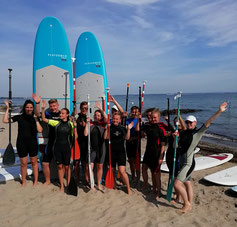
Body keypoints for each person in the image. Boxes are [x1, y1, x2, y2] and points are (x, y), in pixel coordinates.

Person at [173, 102, 227, 213]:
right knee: (187, 183)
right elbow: (177, 144)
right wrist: (175, 137)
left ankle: (187, 203)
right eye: (187, 122)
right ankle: (190, 203)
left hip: (188, 164)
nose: (189, 124)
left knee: (177, 184)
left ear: (195, 123)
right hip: (182, 162)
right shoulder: (184, 133)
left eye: (191, 122)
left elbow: (209, 121)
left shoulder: (197, 133)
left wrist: (219, 111)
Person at [2, 99, 43, 186]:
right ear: (24, 108)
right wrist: (7, 108)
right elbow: (5, 121)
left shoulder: (35, 118)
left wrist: (37, 104)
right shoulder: (19, 117)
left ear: (33, 108)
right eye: (27, 107)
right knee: (23, 163)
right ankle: (23, 181)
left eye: (31, 107)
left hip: (33, 143)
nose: (29, 109)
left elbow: (40, 130)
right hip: (21, 143)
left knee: (34, 162)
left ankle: (35, 181)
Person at [41, 100, 77, 192]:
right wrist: (43, 108)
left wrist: (75, 127)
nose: (60, 114)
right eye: (60, 113)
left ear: (67, 115)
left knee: (67, 167)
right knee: (60, 167)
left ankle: (68, 184)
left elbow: (75, 137)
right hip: (57, 148)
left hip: (67, 148)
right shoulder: (56, 123)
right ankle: (61, 185)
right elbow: (44, 119)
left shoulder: (71, 124)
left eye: (62, 113)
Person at [33, 94, 60, 185]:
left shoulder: (63, 114)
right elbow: (37, 115)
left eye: (54, 105)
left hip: (61, 143)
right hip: (51, 142)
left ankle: (64, 180)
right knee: (44, 163)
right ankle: (48, 181)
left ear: (58, 105)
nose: (52, 107)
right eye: (51, 106)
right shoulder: (48, 114)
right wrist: (38, 104)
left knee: (62, 165)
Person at [139, 109, 166, 198]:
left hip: (156, 153)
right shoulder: (149, 126)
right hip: (148, 152)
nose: (153, 119)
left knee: (156, 174)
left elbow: (163, 145)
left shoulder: (161, 129)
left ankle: (158, 191)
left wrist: (161, 157)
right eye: (151, 117)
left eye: (155, 117)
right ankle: (149, 186)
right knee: (144, 168)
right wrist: (140, 122)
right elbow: (142, 133)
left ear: (158, 117)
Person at [104, 112, 133, 194]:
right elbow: (105, 137)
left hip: (121, 152)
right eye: (114, 119)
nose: (115, 120)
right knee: (112, 170)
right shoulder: (110, 127)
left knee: (121, 171)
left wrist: (128, 129)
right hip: (111, 152)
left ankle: (128, 188)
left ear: (120, 120)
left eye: (117, 119)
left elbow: (127, 138)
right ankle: (114, 185)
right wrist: (106, 128)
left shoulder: (122, 128)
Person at [84, 102, 107, 190]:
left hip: (101, 148)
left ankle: (99, 184)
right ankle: (91, 183)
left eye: (98, 115)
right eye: (95, 115)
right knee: (90, 167)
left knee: (100, 166)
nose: (96, 116)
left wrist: (100, 109)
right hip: (92, 149)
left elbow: (106, 118)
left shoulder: (103, 124)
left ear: (100, 117)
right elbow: (86, 134)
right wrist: (87, 123)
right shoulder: (91, 124)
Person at [76, 101, 89, 185]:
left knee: (85, 163)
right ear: (80, 108)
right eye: (83, 108)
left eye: (86, 108)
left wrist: (87, 124)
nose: (84, 109)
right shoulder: (77, 118)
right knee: (77, 163)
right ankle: (77, 180)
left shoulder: (87, 118)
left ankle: (86, 180)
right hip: (78, 143)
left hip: (85, 144)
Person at [126, 106, 139, 182]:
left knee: (136, 161)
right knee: (131, 161)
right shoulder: (127, 120)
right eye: (133, 112)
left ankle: (137, 177)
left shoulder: (140, 120)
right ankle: (133, 175)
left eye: (136, 112)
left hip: (136, 143)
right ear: (131, 112)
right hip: (129, 143)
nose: (134, 113)